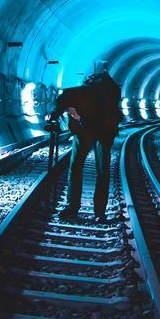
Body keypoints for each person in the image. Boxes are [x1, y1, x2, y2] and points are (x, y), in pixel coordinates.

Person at [48, 70, 121, 221]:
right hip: (103, 132)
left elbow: (61, 100)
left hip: (87, 131)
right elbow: (114, 115)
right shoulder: (112, 92)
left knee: (75, 167)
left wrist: (56, 114)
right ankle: (99, 213)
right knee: (102, 170)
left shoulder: (81, 92)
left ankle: (72, 207)